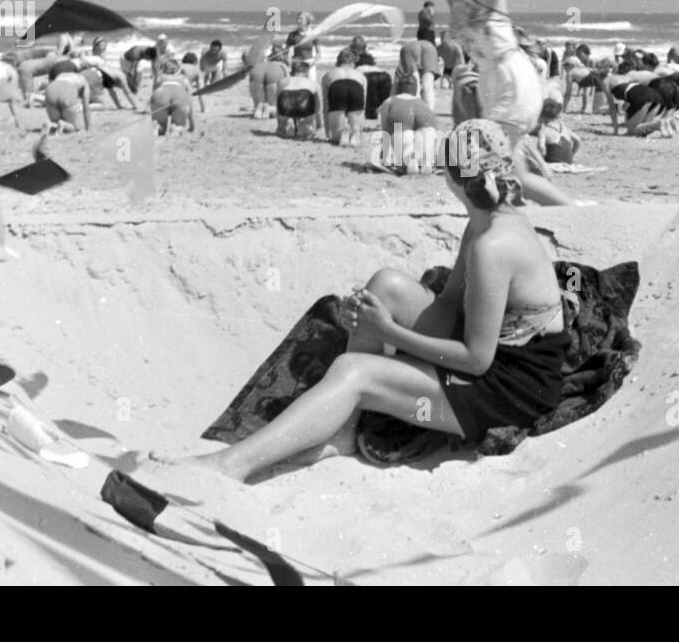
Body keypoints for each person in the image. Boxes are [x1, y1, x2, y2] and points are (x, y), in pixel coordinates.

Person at [144, 120, 572, 486]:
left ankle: (228, 466)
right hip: (499, 358)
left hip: (511, 390)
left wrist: (388, 332)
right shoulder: (484, 224)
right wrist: (374, 314)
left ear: (449, 176)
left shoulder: (493, 245)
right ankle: (344, 431)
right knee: (385, 285)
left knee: (353, 371)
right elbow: (451, 309)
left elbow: (477, 360)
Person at [426, 0, 577, 205]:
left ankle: (520, 216)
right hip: (488, 78)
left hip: (511, 76)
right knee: (508, 168)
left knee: (481, 159)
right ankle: (568, 211)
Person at [376, 73, 438, 173]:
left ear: (397, 87)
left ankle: (408, 162)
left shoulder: (389, 101)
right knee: (425, 140)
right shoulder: (422, 102)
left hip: (401, 117)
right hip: (427, 119)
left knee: (404, 144)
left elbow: (385, 132)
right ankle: (425, 161)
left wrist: (384, 157)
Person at [321, 49, 367, 146]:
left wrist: (327, 132)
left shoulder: (328, 74)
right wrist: (361, 132)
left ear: (338, 61)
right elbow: (363, 106)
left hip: (337, 87)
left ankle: (341, 133)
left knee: (335, 136)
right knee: (356, 123)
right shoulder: (360, 75)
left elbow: (326, 105)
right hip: (356, 86)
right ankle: (355, 134)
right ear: (352, 62)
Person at [276, 58, 322, 139]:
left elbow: (278, 103)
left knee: (285, 100)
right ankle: (306, 125)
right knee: (312, 100)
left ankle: (285, 125)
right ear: (306, 72)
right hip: (304, 108)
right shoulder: (312, 83)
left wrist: (280, 125)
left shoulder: (282, 81)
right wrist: (318, 124)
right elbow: (319, 105)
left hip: (286, 108)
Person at [149, 56, 196, 135]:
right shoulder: (183, 78)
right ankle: (175, 129)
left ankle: (157, 127)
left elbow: (154, 94)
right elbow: (189, 100)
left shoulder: (159, 78)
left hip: (161, 94)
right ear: (177, 69)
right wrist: (192, 124)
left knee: (159, 124)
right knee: (178, 125)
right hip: (180, 95)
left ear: (163, 69)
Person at [249, 44, 289, 119]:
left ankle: (259, 106)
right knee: (274, 105)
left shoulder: (265, 60)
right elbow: (287, 80)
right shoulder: (282, 64)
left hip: (257, 70)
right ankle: (270, 108)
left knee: (258, 104)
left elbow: (245, 56)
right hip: (275, 72)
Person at [536, 97, 580, 164]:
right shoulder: (564, 128)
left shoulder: (544, 131)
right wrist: (572, 155)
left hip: (552, 162)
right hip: (568, 162)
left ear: (541, 116)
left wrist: (540, 161)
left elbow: (541, 148)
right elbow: (578, 140)